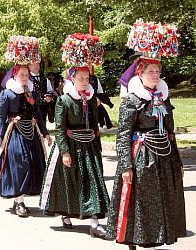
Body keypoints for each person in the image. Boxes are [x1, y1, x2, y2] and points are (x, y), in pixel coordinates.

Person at [106, 58, 186, 250]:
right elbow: (123, 134)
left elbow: (170, 132)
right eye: (151, 71)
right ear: (140, 74)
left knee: (161, 200)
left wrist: (178, 162)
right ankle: (134, 239)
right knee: (140, 201)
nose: (156, 75)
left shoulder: (163, 98)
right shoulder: (132, 100)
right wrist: (126, 165)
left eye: (158, 71)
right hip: (141, 155)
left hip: (163, 157)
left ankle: (154, 239)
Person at [39, 66, 110, 237]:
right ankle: (66, 213)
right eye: (81, 78)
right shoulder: (64, 100)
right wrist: (64, 152)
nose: (85, 82)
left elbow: (94, 125)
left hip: (89, 146)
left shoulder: (92, 99)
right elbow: (60, 128)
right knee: (69, 181)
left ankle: (94, 223)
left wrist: (97, 145)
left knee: (93, 181)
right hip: (71, 145)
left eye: (87, 79)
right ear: (72, 80)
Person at [0, 65, 52, 217]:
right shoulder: (7, 93)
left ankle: (19, 199)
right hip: (15, 133)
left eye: (26, 74)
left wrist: (45, 134)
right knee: (21, 164)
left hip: (31, 132)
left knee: (33, 163)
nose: (25, 77)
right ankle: (19, 202)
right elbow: (1, 117)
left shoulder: (31, 92)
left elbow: (38, 113)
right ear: (15, 75)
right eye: (21, 74)